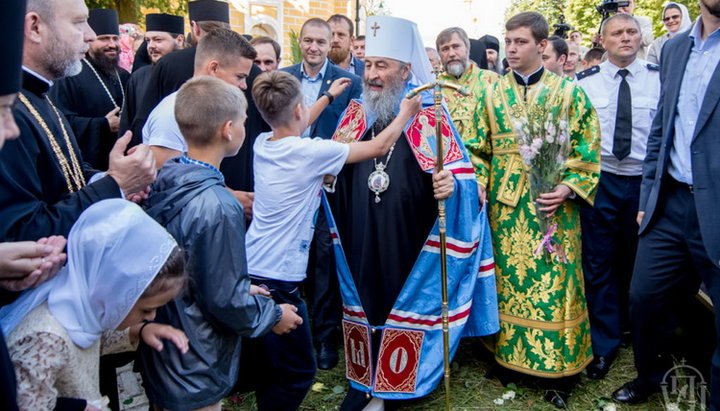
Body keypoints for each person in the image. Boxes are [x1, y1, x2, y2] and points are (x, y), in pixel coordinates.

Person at [331, 15, 498, 410]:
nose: (372, 75)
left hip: (409, 233)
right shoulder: (355, 112)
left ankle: (396, 382)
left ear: (406, 71)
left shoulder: (428, 113)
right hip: (362, 226)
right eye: (369, 65)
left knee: (396, 293)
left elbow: (462, 179)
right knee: (364, 291)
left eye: (382, 65)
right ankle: (364, 379)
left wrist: (450, 186)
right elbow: (333, 169)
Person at [245, 69, 421, 410]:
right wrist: (405, 113)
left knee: (272, 364)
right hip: (279, 277)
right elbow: (378, 146)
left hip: (255, 262)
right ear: (299, 110)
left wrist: (327, 97)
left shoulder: (264, 142)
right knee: (297, 371)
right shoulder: (311, 153)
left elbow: (293, 123)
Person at [136, 76, 300, 411]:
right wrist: (273, 315)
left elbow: (195, 266)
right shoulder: (219, 205)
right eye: (243, 121)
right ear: (228, 129)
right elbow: (224, 300)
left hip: (167, 349)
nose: (245, 127)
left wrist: (240, 286)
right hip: (196, 359)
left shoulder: (166, 179)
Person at [466, 11, 601, 407]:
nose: (511, 49)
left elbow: (588, 147)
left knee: (556, 283)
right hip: (506, 208)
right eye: (508, 41)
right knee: (508, 283)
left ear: (542, 45)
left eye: (520, 42)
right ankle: (509, 361)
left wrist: (567, 186)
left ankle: (561, 370)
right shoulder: (491, 93)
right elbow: (476, 147)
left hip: (553, 207)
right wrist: (478, 181)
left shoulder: (569, 93)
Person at [612, 0, 720, 406]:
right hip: (669, 203)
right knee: (644, 297)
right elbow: (662, 126)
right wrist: (649, 194)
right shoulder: (674, 48)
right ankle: (650, 377)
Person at [1, 199, 189, 411]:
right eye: (146, 309)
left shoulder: (77, 310)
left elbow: (87, 341)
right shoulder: (45, 340)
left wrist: (139, 330)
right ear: (112, 290)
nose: (152, 316)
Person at [0, 0, 156, 243]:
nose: (90, 35)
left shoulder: (39, 93)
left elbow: (64, 170)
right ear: (34, 28)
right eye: (79, 22)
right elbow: (22, 233)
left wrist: (108, 178)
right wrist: (114, 185)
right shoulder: (8, 115)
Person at [575, 13, 660, 381]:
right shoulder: (584, 83)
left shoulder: (660, 78)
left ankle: (635, 331)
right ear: (603, 40)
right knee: (599, 260)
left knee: (638, 261)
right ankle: (604, 343)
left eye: (631, 31)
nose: (625, 38)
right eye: (617, 33)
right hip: (601, 179)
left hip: (645, 181)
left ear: (640, 37)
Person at [281, 17, 362, 370]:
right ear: (300, 41)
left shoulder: (349, 83)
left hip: (330, 184)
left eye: (320, 41)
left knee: (325, 257)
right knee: (291, 256)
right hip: (290, 183)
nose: (313, 47)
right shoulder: (284, 78)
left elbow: (356, 129)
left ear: (331, 44)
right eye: (308, 40)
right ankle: (291, 331)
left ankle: (326, 336)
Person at [49, 8, 130, 171]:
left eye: (115, 38)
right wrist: (102, 124)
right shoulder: (69, 75)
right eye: (104, 38)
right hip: (89, 163)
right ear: (89, 40)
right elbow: (59, 122)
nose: (112, 44)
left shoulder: (124, 75)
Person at [119, 13, 185, 136]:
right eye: (148, 41)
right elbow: (128, 123)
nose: (151, 46)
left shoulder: (191, 73)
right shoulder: (138, 77)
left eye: (158, 40)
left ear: (179, 40)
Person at [436, 27, 498, 146]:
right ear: (439, 54)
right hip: (448, 155)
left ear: (467, 49)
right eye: (445, 49)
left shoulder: (493, 81)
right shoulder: (433, 87)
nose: (451, 54)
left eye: (456, 46)